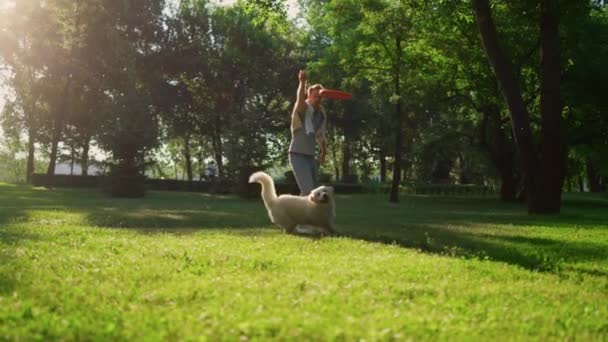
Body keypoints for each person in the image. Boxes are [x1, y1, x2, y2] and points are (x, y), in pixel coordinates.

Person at [288, 69, 328, 196]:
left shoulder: (321, 114)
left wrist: (323, 152)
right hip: (297, 154)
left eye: (320, 96)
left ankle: (297, 215)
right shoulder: (303, 109)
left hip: (311, 156)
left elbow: (321, 135)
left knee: (314, 191)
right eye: (315, 96)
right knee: (308, 191)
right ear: (309, 96)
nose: (317, 99)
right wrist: (302, 82)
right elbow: (299, 99)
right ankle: (300, 215)